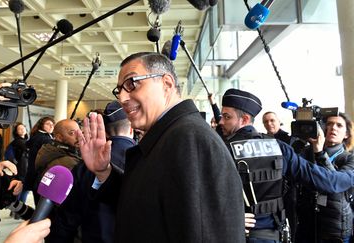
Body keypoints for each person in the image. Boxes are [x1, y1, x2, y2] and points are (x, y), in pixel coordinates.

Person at [77, 52, 245, 242]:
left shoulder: (190, 140)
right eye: (119, 90)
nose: (122, 97)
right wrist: (104, 172)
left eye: (132, 83)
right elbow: (145, 205)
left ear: (167, 84)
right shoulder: (169, 136)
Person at [218, 88, 354, 243]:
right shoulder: (279, 148)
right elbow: (328, 182)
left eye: (226, 116)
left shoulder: (220, 149)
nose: (221, 121)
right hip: (272, 236)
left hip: (233, 234)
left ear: (244, 119)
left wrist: (227, 217)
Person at [48, 101, 136, 243]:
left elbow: (68, 217)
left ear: (105, 131)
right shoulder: (144, 160)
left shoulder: (84, 166)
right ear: (131, 128)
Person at [295, 113, 354, 243]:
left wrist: (320, 154)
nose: (333, 128)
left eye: (339, 125)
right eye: (329, 124)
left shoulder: (349, 158)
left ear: (346, 134)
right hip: (307, 226)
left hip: (334, 230)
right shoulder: (306, 153)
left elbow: (334, 183)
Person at [34, 119, 80, 203]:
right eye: (72, 133)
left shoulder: (49, 149)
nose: (78, 136)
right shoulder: (68, 162)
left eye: (79, 132)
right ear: (59, 137)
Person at [24, 116, 54, 205]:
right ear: (41, 125)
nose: (51, 126)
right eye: (48, 124)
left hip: (34, 174)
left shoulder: (38, 136)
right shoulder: (44, 139)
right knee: (42, 205)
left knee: (38, 203)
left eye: (52, 124)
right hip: (40, 175)